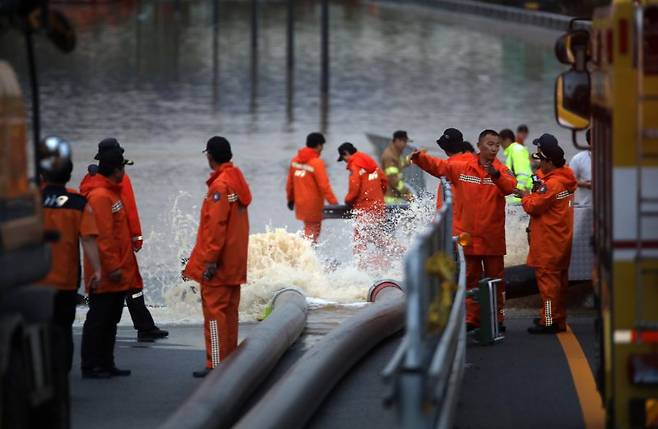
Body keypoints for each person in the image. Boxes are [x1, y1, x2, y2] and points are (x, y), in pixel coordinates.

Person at [410, 130, 517, 331]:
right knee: (469, 279)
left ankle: (499, 318)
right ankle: (472, 319)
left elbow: (510, 187)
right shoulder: (461, 167)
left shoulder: (502, 170)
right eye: (489, 144)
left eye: (496, 145)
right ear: (479, 145)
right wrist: (419, 157)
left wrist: (495, 174)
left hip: (492, 237)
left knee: (497, 281)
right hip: (469, 237)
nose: (493, 149)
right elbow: (438, 166)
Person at [82, 138, 168, 342]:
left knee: (115, 296)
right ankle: (144, 326)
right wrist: (136, 236)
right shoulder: (114, 184)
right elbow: (128, 207)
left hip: (107, 249)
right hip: (118, 245)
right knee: (131, 285)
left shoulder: (89, 182)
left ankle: (142, 326)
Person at [183, 136, 252, 378]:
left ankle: (215, 363)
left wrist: (209, 261)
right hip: (235, 262)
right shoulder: (236, 180)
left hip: (220, 264)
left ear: (210, 156)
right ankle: (229, 359)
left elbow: (216, 228)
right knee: (230, 313)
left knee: (214, 314)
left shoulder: (220, 187)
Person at [37, 158, 102, 373]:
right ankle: (60, 379)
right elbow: (88, 239)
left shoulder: (30, 202)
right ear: (68, 175)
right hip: (65, 280)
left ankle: (40, 374)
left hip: (34, 280)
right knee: (64, 330)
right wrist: (98, 269)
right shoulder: (77, 202)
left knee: (38, 330)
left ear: (43, 175)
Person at [79, 146, 135, 378]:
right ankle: (91, 364)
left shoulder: (111, 193)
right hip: (105, 272)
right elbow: (103, 237)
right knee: (98, 319)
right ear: (116, 169)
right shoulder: (102, 196)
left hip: (116, 270)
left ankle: (106, 362)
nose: (125, 172)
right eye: (122, 167)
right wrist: (112, 268)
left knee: (111, 318)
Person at [514, 134, 577, 334]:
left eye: (541, 159)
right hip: (560, 239)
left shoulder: (552, 185)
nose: (538, 162)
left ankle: (548, 321)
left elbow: (534, 207)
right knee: (559, 285)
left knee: (548, 288)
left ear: (550, 161)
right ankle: (557, 319)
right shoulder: (564, 178)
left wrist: (525, 195)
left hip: (548, 242)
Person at [337, 142, 388, 257]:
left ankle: (360, 270)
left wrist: (348, 201)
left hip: (365, 210)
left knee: (359, 241)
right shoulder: (371, 162)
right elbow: (384, 181)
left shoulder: (355, 165)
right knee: (378, 239)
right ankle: (402, 254)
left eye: (344, 159)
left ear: (346, 154)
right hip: (378, 208)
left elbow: (354, 189)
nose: (345, 162)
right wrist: (378, 198)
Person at [286, 132, 338, 243]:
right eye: (322, 146)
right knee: (313, 232)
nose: (322, 149)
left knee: (309, 230)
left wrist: (290, 199)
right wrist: (334, 203)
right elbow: (324, 185)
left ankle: (307, 255)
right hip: (313, 205)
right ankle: (302, 255)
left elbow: (290, 183)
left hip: (300, 203)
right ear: (319, 145)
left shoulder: (295, 161)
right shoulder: (317, 163)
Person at [500, 128, 533, 204]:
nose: (500, 146)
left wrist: (516, 196)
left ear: (507, 140)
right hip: (524, 193)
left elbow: (523, 175)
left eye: (501, 142)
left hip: (522, 195)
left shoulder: (516, 151)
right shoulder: (513, 151)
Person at [381, 130, 414, 204]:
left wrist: (412, 158)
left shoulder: (395, 153)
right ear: (397, 141)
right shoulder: (390, 156)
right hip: (391, 199)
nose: (406, 145)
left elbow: (400, 164)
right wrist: (407, 192)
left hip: (396, 196)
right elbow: (392, 179)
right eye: (404, 142)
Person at [569, 128, 592, 206]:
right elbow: (569, 181)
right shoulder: (578, 159)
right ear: (590, 141)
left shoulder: (613, 158)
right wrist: (586, 184)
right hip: (587, 206)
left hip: (612, 208)